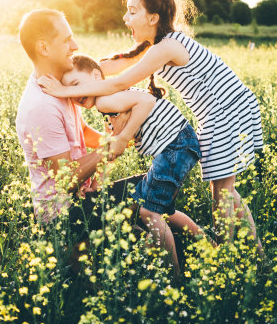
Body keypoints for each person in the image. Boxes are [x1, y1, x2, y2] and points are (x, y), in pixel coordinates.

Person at [38, 0, 264, 254]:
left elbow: (116, 83)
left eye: (132, 12)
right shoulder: (154, 45)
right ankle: (253, 255)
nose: (126, 18)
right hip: (223, 111)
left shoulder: (168, 46)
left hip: (227, 110)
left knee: (223, 192)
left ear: (153, 18)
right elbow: (106, 69)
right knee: (226, 191)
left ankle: (226, 258)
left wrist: (65, 90)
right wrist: (74, 67)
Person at [63, 54, 211, 276]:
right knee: (162, 208)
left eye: (76, 86)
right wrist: (97, 182)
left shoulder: (105, 100)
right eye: (70, 93)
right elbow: (112, 150)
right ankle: (210, 247)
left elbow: (147, 102)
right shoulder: (110, 101)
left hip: (174, 146)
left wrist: (124, 137)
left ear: (96, 75)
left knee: (148, 212)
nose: (76, 96)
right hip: (181, 144)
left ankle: (176, 278)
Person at [15, 9, 142, 244]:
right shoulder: (41, 105)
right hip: (62, 216)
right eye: (66, 40)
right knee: (149, 190)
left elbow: (81, 132)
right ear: (43, 48)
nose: (75, 45)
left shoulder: (59, 88)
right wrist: (112, 147)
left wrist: (126, 137)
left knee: (148, 196)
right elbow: (67, 179)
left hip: (81, 198)